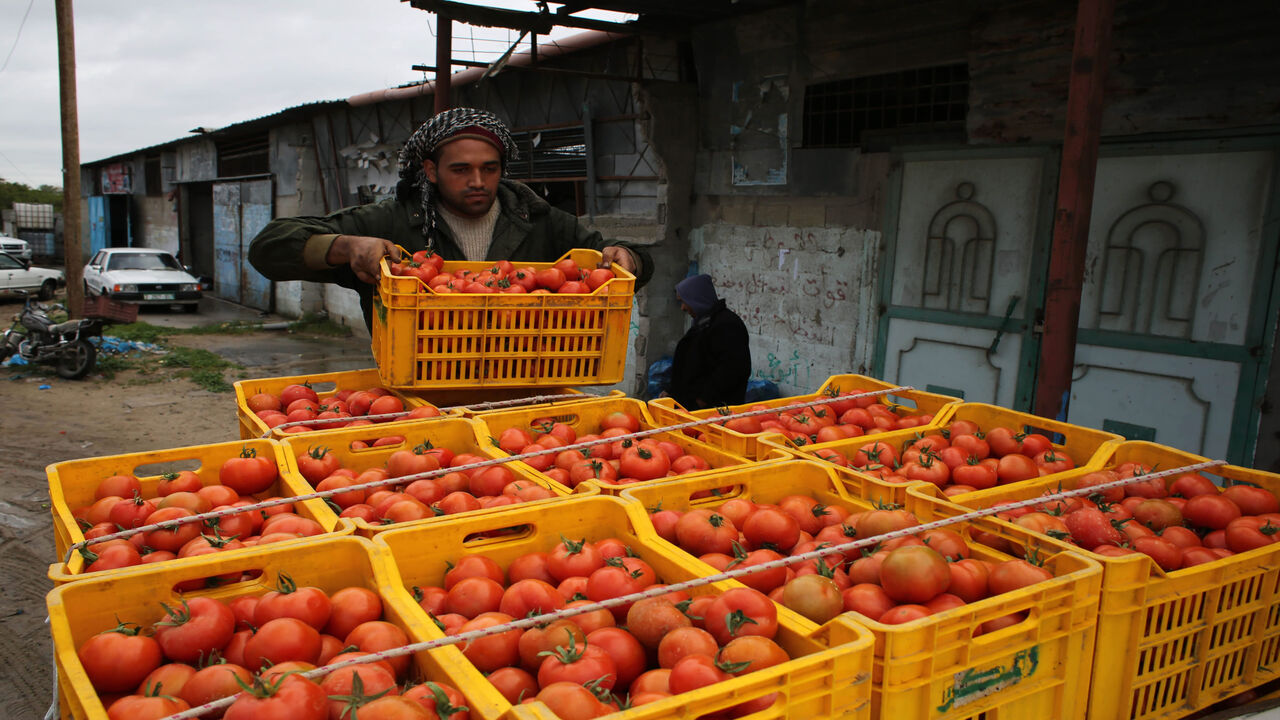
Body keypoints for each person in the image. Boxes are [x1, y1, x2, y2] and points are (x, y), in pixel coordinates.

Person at [248, 107, 652, 328]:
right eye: (460, 170)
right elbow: (269, 249)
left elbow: (621, 263)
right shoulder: (389, 222)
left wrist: (629, 259)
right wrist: (344, 247)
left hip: (530, 385)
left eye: (490, 169)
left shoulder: (542, 221)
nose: (478, 181)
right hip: (421, 396)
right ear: (430, 171)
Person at [665, 273, 751, 410]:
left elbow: (732, 369)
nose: (683, 308)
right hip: (691, 406)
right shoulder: (703, 322)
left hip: (713, 411)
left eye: (684, 301)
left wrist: (703, 400)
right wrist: (671, 392)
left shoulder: (727, 325)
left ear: (696, 299)